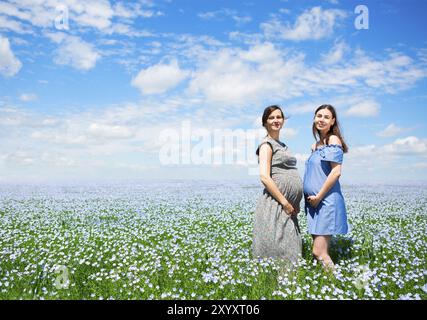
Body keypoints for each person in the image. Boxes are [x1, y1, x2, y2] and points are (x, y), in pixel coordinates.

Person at [252, 105, 303, 267]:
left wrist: (294, 201)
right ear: (265, 122)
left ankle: (288, 284)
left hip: (287, 205)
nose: (276, 120)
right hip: (276, 204)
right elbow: (264, 177)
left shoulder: (282, 144)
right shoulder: (266, 145)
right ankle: (272, 284)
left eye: (279, 117)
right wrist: (285, 202)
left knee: (290, 245)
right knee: (277, 246)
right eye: (271, 118)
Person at [303, 104, 349, 271]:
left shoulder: (333, 140)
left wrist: (319, 197)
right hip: (314, 203)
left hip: (325, 201)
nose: (321, 119)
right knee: (318, 251)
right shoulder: (315, 145)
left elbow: (336, 172)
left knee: (318, 251)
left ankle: (336, 284)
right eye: (318, 116)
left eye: (326, 117)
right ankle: (324, 284)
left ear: (332, 121)